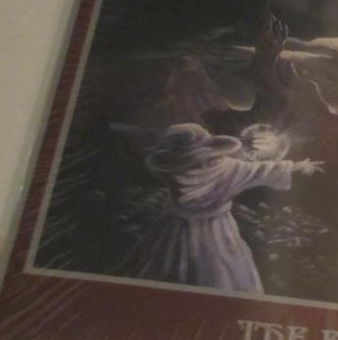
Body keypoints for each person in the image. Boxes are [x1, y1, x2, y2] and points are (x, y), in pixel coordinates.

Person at [136, 122, 321, 293]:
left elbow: (259, 168)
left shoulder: (173, 172)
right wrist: (297, 166)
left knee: (176, 264)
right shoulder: (229, 168)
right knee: (217, 267)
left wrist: (294, 166)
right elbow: (260, 169)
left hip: (178, 226)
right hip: (216, 228)